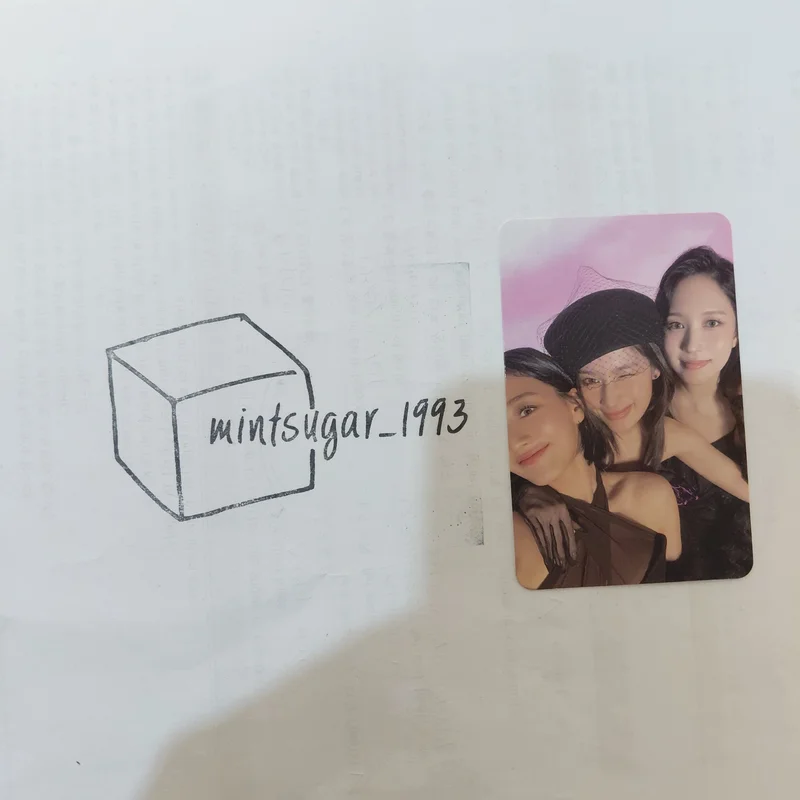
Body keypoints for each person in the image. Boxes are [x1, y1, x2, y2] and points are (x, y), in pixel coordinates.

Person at [543, 288, 749, 503]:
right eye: (591, 381)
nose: (611, 400)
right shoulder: (565, 441)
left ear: (655, 368)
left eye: (625, 374)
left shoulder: (670, 436)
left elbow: (745, 487)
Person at [505, 347, 680, 590]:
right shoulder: (509, 538)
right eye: (495, 428)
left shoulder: (652, 496)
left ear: (575, 405)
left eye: (526, 410)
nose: (514, 441)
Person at [655, 246, 753, 580]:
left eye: (712, 322)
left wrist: (683, 442)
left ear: (737, 332)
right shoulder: (638, 409)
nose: (692, 344)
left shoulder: (765, 409)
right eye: (676, 324)